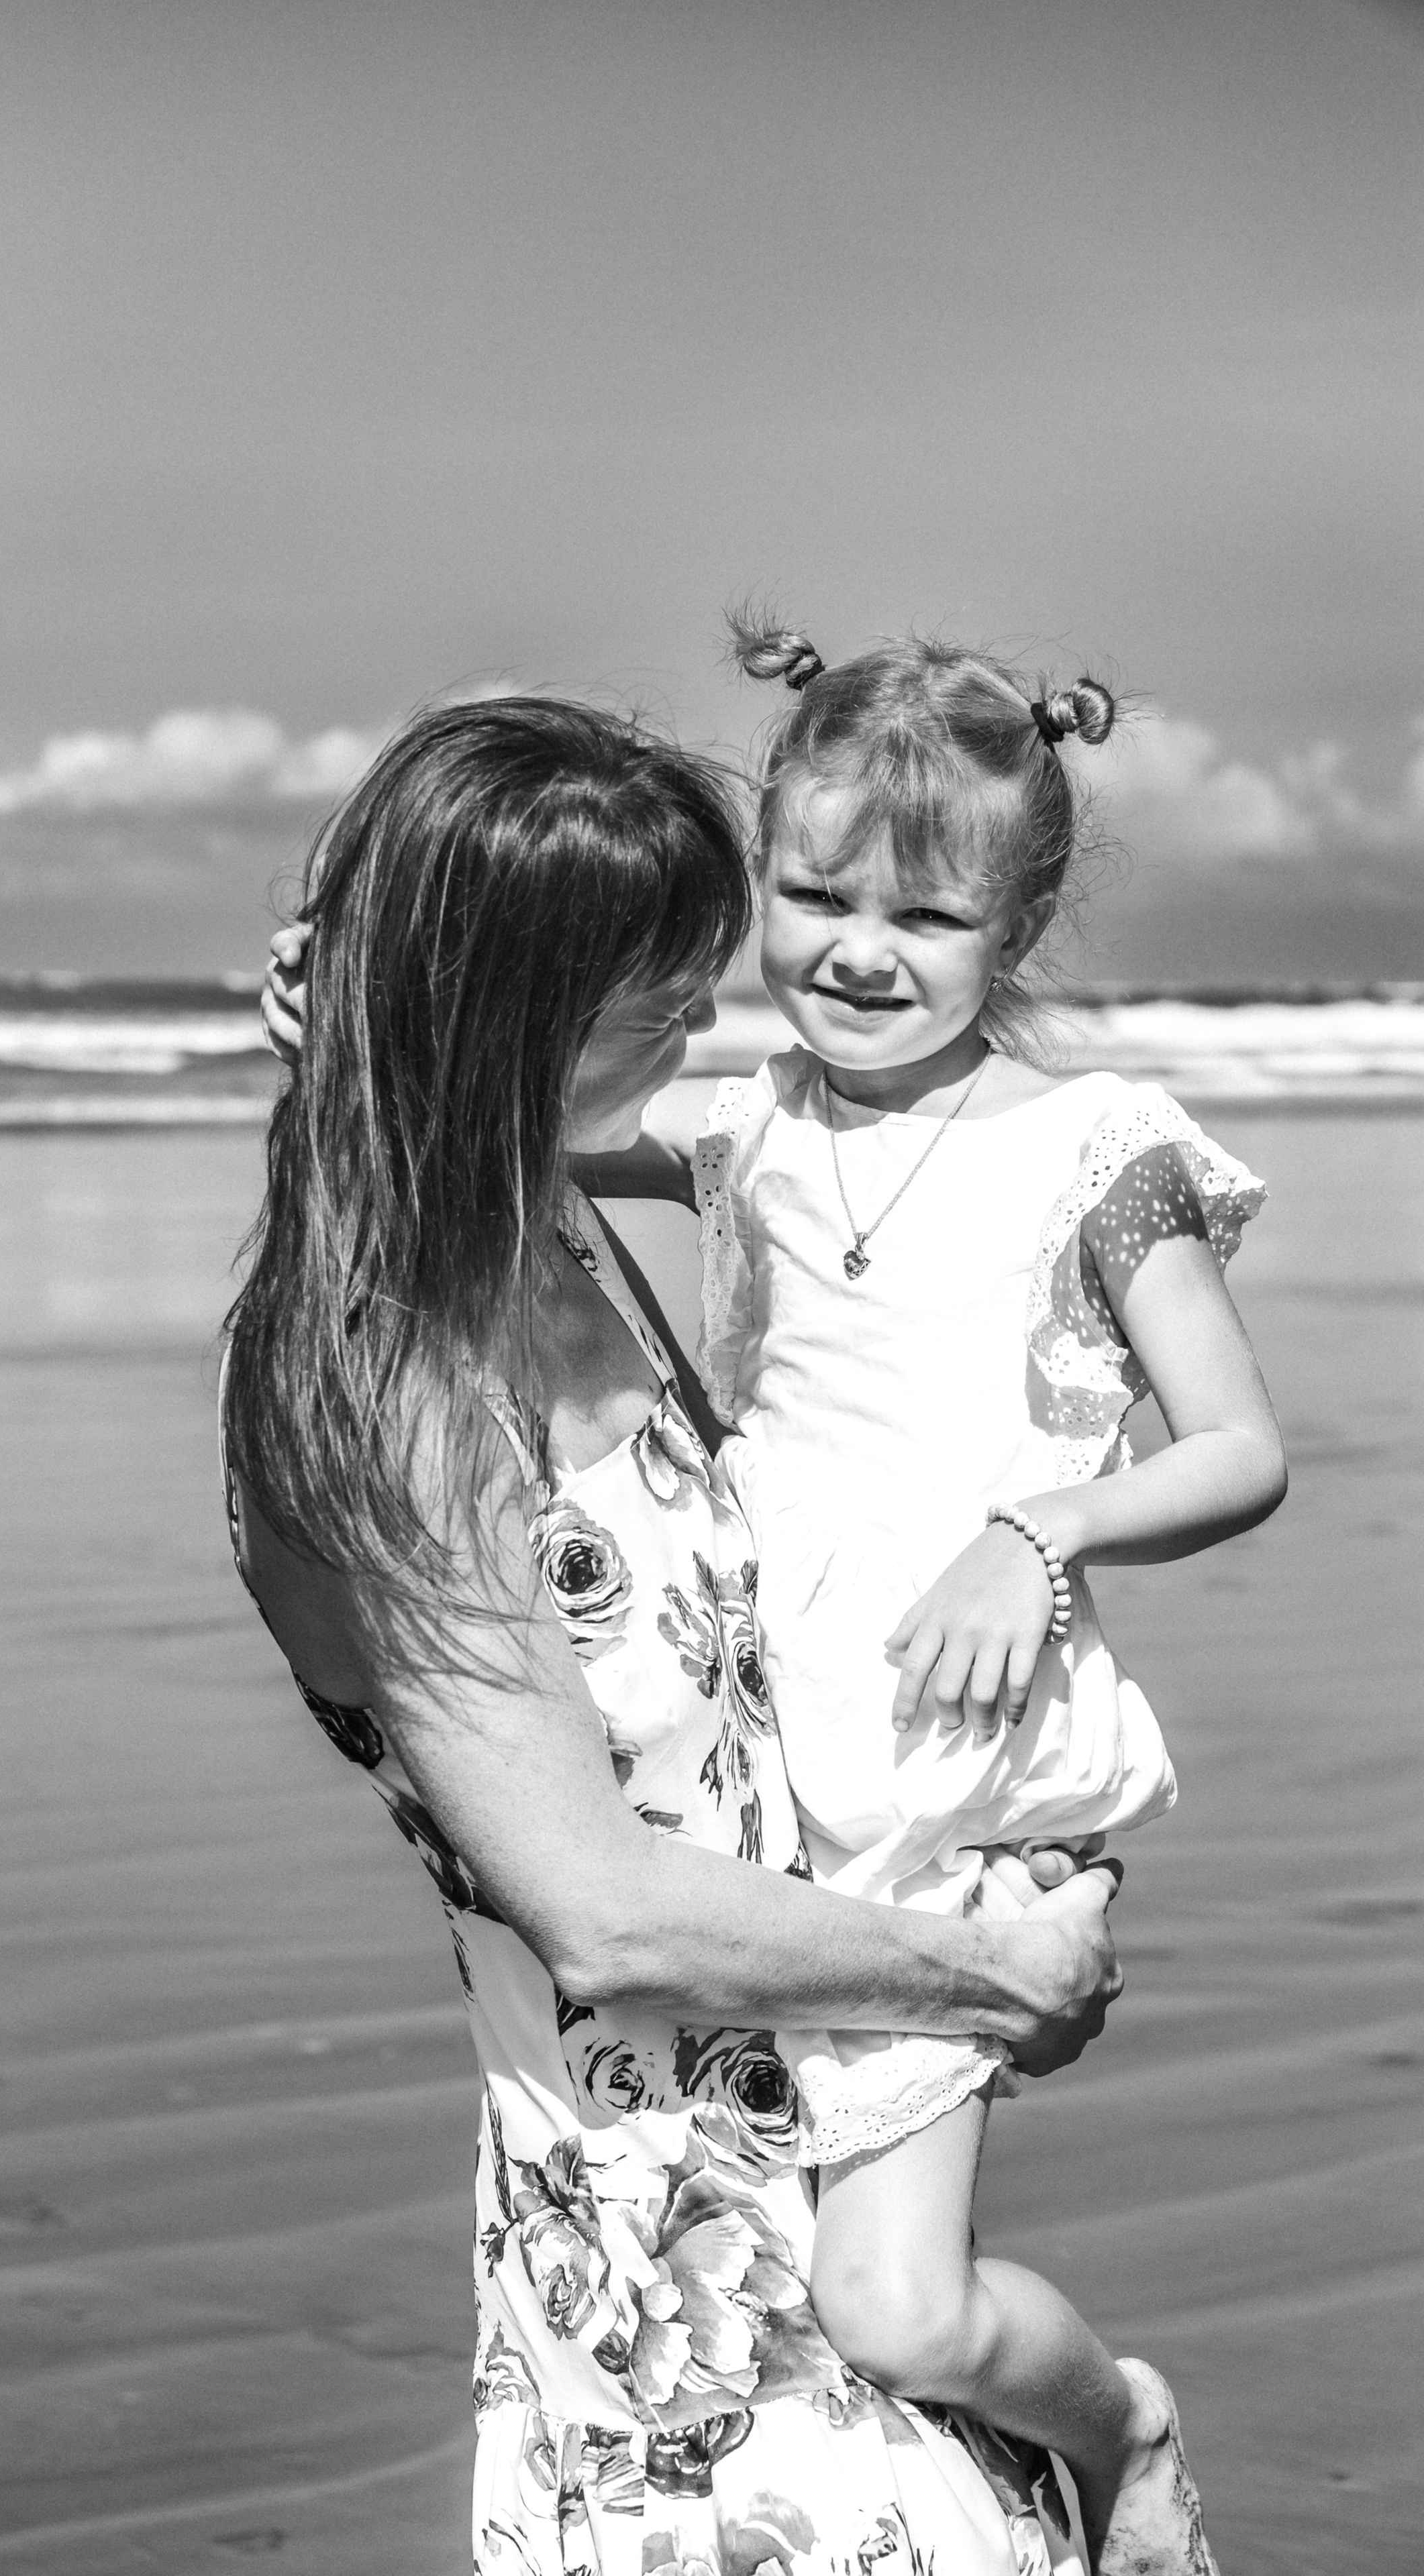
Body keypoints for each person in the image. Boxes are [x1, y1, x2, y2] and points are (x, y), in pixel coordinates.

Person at [226, 694, 1152, 2576]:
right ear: (505, 1012)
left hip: (847, 2151)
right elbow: (606, 1911)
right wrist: (1001, 1978)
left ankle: (1116, 2436)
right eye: (652, 987)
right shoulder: (387, 1376)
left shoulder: (549, 1215)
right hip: (663, 2284)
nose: (705, 1018)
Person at [570, 623, 1288, 2570]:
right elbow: (485, 1140)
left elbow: (1238, 1449)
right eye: (810, 893)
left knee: (896, 2307)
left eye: (928, 913)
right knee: (751, 2286)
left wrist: (1042, 1526)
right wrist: (328, 1034)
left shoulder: (1089, 1150)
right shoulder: (741, 1129)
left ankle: (1116, 2424)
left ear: (1020, 919)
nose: (855, 949)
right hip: (752, 1776)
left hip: (963, 1787)